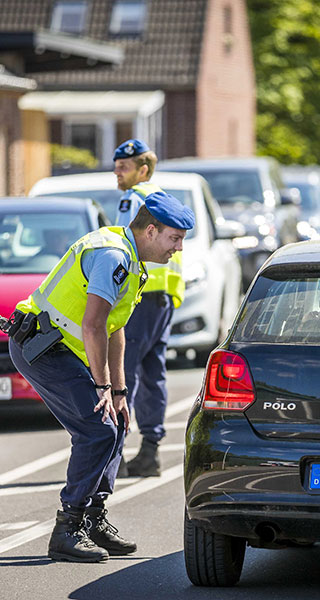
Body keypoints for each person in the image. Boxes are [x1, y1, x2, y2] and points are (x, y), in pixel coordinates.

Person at [9, 191, 194, 563]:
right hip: (42, 348)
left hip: (64, 348)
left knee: (117, 422)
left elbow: (114, 329)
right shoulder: (113, 255)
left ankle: (93, 518)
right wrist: (102, 386)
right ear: (152, 231)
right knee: (97, 430)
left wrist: (120, 393)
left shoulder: (130, 256)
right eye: (175, 238)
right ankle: (67, 528)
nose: (178, 249)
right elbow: (92, 326)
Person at [112, 139, 185, 477]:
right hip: (164, 298)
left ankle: (115, 452)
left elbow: (125, 245)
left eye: (123, 168)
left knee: (123, 372)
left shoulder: (134, 200)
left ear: (142, 169)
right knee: (153, 374)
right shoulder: (163, 199)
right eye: (116, 167)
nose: (117, 174)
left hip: (140, 297)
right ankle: (151, 451)